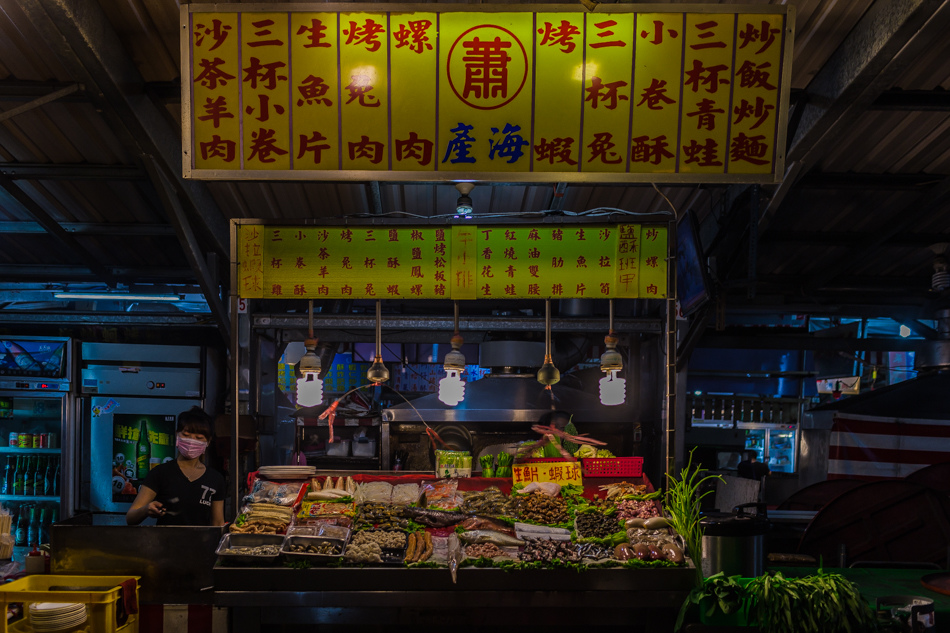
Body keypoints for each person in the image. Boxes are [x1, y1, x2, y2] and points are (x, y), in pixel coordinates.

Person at [126, 406, 225, 526]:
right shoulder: (160, 473)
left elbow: (218, 522)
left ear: (208, 442)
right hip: (162, 543)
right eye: (186, 435)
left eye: (199, 438)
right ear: (177, 435)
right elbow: (130, 517)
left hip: (201, 543)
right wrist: (146, 509)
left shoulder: (215, 479)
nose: (191, 441)